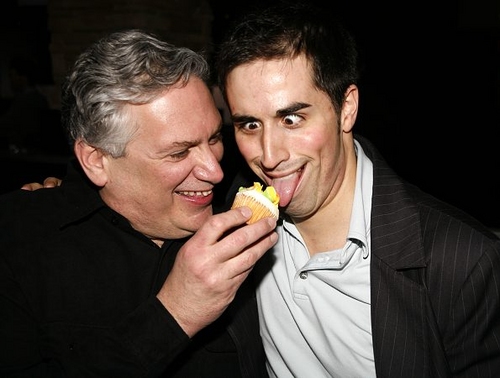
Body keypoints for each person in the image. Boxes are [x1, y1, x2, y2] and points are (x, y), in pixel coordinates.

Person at [213, 2, 500, 377]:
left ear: (346, 108)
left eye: (292, 118)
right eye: (250, 125)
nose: (269, 155)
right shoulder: (234, 213)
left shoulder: (460, 261)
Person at [0, 29, 278, 377]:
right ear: (97, 160)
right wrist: (175, 314)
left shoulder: (241, 216)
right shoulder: (20, 242)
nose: (214, 171)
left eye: (215, 138)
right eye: (179, 152)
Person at [0, 54, 49, 153]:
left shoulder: (24, 100)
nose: (11, 80)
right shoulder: (39, 98)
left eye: (12, 75)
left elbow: (6, 124)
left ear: (23, 77)